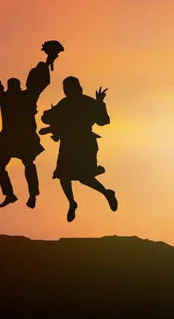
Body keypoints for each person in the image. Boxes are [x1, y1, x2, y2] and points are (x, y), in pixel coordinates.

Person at [0, 41, 60, 209]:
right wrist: (47, 61)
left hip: (15, 136)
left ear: (10, 87)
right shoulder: (25, 97)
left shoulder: (8, 98)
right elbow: (38, 84)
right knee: (21, 165)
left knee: (6, 167)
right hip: (15, 136)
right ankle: (23, 194)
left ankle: (19, 194)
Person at [40, 77, 118, 222]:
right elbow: (56, 119)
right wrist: (48, 124)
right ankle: (72, 202)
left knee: (84, 177)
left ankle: (106, 193)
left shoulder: (88, 102)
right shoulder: (64, 103)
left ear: (76, 87)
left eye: (68, 88)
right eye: (65, 88)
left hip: (84, 144)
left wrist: (100, 103)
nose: (66, 91)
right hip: (68, 143)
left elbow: (103, 121)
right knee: (63, 175)